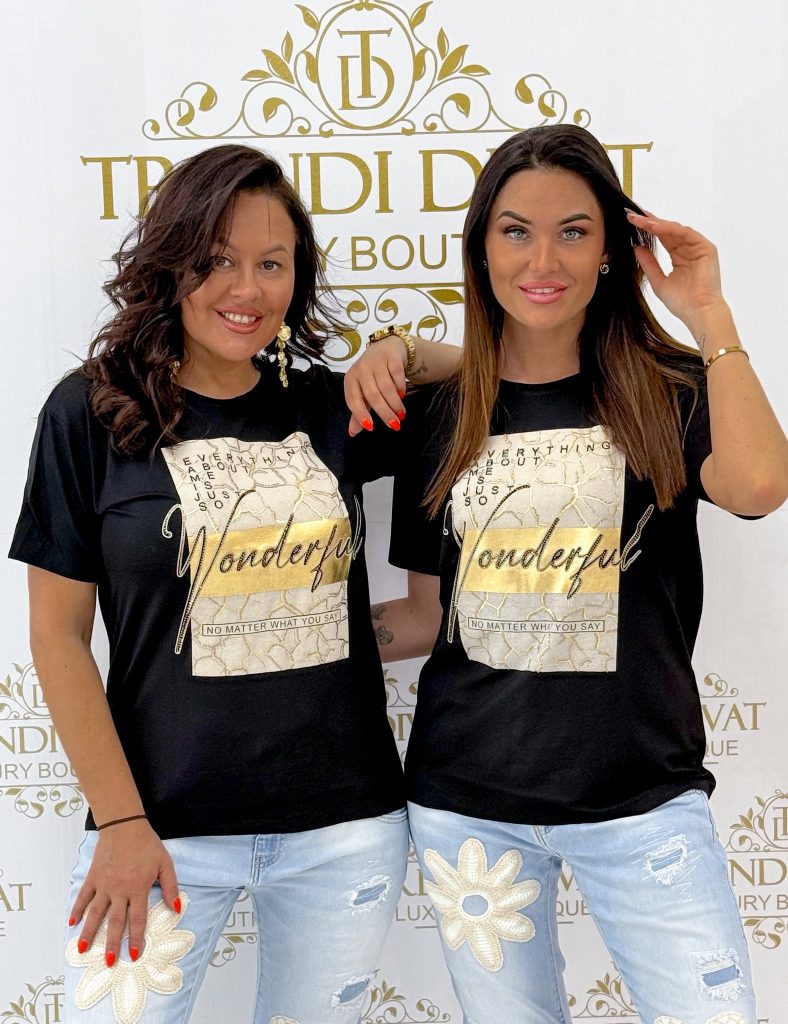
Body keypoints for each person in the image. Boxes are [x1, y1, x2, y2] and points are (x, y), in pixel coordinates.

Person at [344, 125, 788, 1023]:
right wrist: (301, 645)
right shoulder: (442, 414)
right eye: (516, 231)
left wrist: (709, 314)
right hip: (468, 808)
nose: (542, 259)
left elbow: (758, 487)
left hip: (644, 803)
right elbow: (431, 615)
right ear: (482, 247)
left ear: (611, 250)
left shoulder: (668, 392)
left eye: (574, 232)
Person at [8, 143, 453, 1024]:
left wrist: (402, 348)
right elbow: (56, 637)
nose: (245, 289)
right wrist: (121, 824)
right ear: (171, 263)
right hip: (157, 830)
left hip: (342, 831)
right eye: (216, 260)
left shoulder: (332, 410)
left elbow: (493, 374)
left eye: (271, 264)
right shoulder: (90, 413)